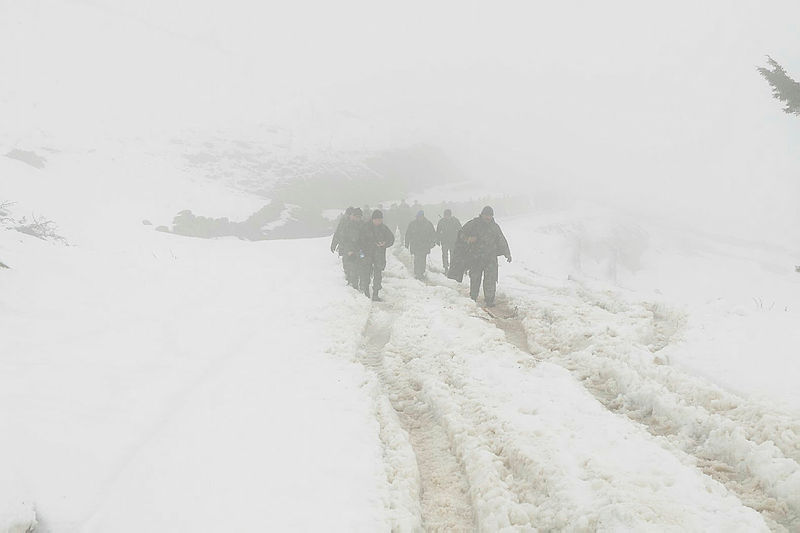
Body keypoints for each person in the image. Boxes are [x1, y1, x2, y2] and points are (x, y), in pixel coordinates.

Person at [459, 206, 511, 307]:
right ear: (482, 214)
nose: (488, 217)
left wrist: (507, 253)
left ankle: (489, 300)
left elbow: (501, 240)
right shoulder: (473, 224)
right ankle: (473, 297)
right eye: (486, 215)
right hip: (476, 258)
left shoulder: (495, 227)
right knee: (475, 279)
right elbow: (461, 233)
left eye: (490, 216)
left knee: (490, 280)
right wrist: (468, 239)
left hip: (490, 258)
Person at [359, 210, 395, 301]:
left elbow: (391, 239)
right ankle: (366, 292)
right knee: (366, 274)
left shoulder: (384, 228)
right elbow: (360, 241)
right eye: (377, 219)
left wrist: (385, 243)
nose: (379, 221)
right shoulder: (365, 227)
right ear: (373, 219)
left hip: (379, 255)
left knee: (378, 275)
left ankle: (375, 294)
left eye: (380, 219)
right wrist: (363, 252)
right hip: (367, 255)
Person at [405, 210, 436, 280]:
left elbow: (433, 234)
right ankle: (417, 273)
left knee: (423, 259)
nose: (420, 218)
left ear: (423, 216)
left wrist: (432, 242)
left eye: (421, 216)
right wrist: (407, 243)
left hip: (424, 245)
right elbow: (408, 234)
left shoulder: (428, 224)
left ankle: (421, 272)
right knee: (417, 259)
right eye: (418, 217)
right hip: (415, 245)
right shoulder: (412, 224)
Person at [339, 207, 365, 289]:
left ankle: (362, 285)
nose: (358, 218)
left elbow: (367, 238)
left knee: (362, 267)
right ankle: (354, 285)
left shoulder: (364, 225)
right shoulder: (348, 226)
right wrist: (348, 250)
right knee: (353, 268)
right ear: (353, 216)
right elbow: (344, 239)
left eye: (359, 216)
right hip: (351, 251)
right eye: (356, 216)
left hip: (361, 251)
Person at [436, 209, 462, 275]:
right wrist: (437, 240)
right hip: (444, 241)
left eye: (448, 215)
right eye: (446, 215)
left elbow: (460, 230)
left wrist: (460, 239)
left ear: (450, 215)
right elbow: (438, 231)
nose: (447, 217)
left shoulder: (455, 221)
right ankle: (446, 268)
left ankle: (452, 268)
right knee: (445, 255)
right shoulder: (441, 221)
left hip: (453, 241)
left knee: (452, 255)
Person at [331, 207, 354, 272]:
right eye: (348, 214)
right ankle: (348, 276)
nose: (349, 216)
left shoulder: (356, 222)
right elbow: (338, 232)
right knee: (346, 262)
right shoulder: (343, 221)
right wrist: (334, 244)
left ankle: (351, 277)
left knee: (353, 262)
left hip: (353, 247)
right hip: (344, 246)